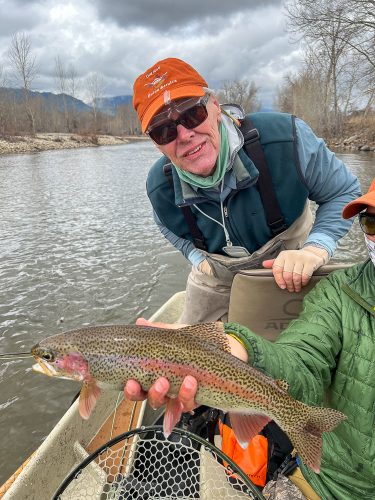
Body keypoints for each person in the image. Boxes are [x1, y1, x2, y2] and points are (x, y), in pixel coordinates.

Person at [125, 178, 375, 499]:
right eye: (370, 221)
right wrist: (236, 348)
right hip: (333, 485)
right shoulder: (338, 294)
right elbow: (300, 360)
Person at [132, 57, 360, 323]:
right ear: (155, 143)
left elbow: (343, 192)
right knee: (186, 352)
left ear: (215, 106)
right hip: (216, 278)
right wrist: (195, 256)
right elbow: (166, 227)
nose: (184, 135)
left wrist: (316, 248)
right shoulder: (159, 186)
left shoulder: (286, 138)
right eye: (164, 131)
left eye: (192, 114)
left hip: (294, 268)